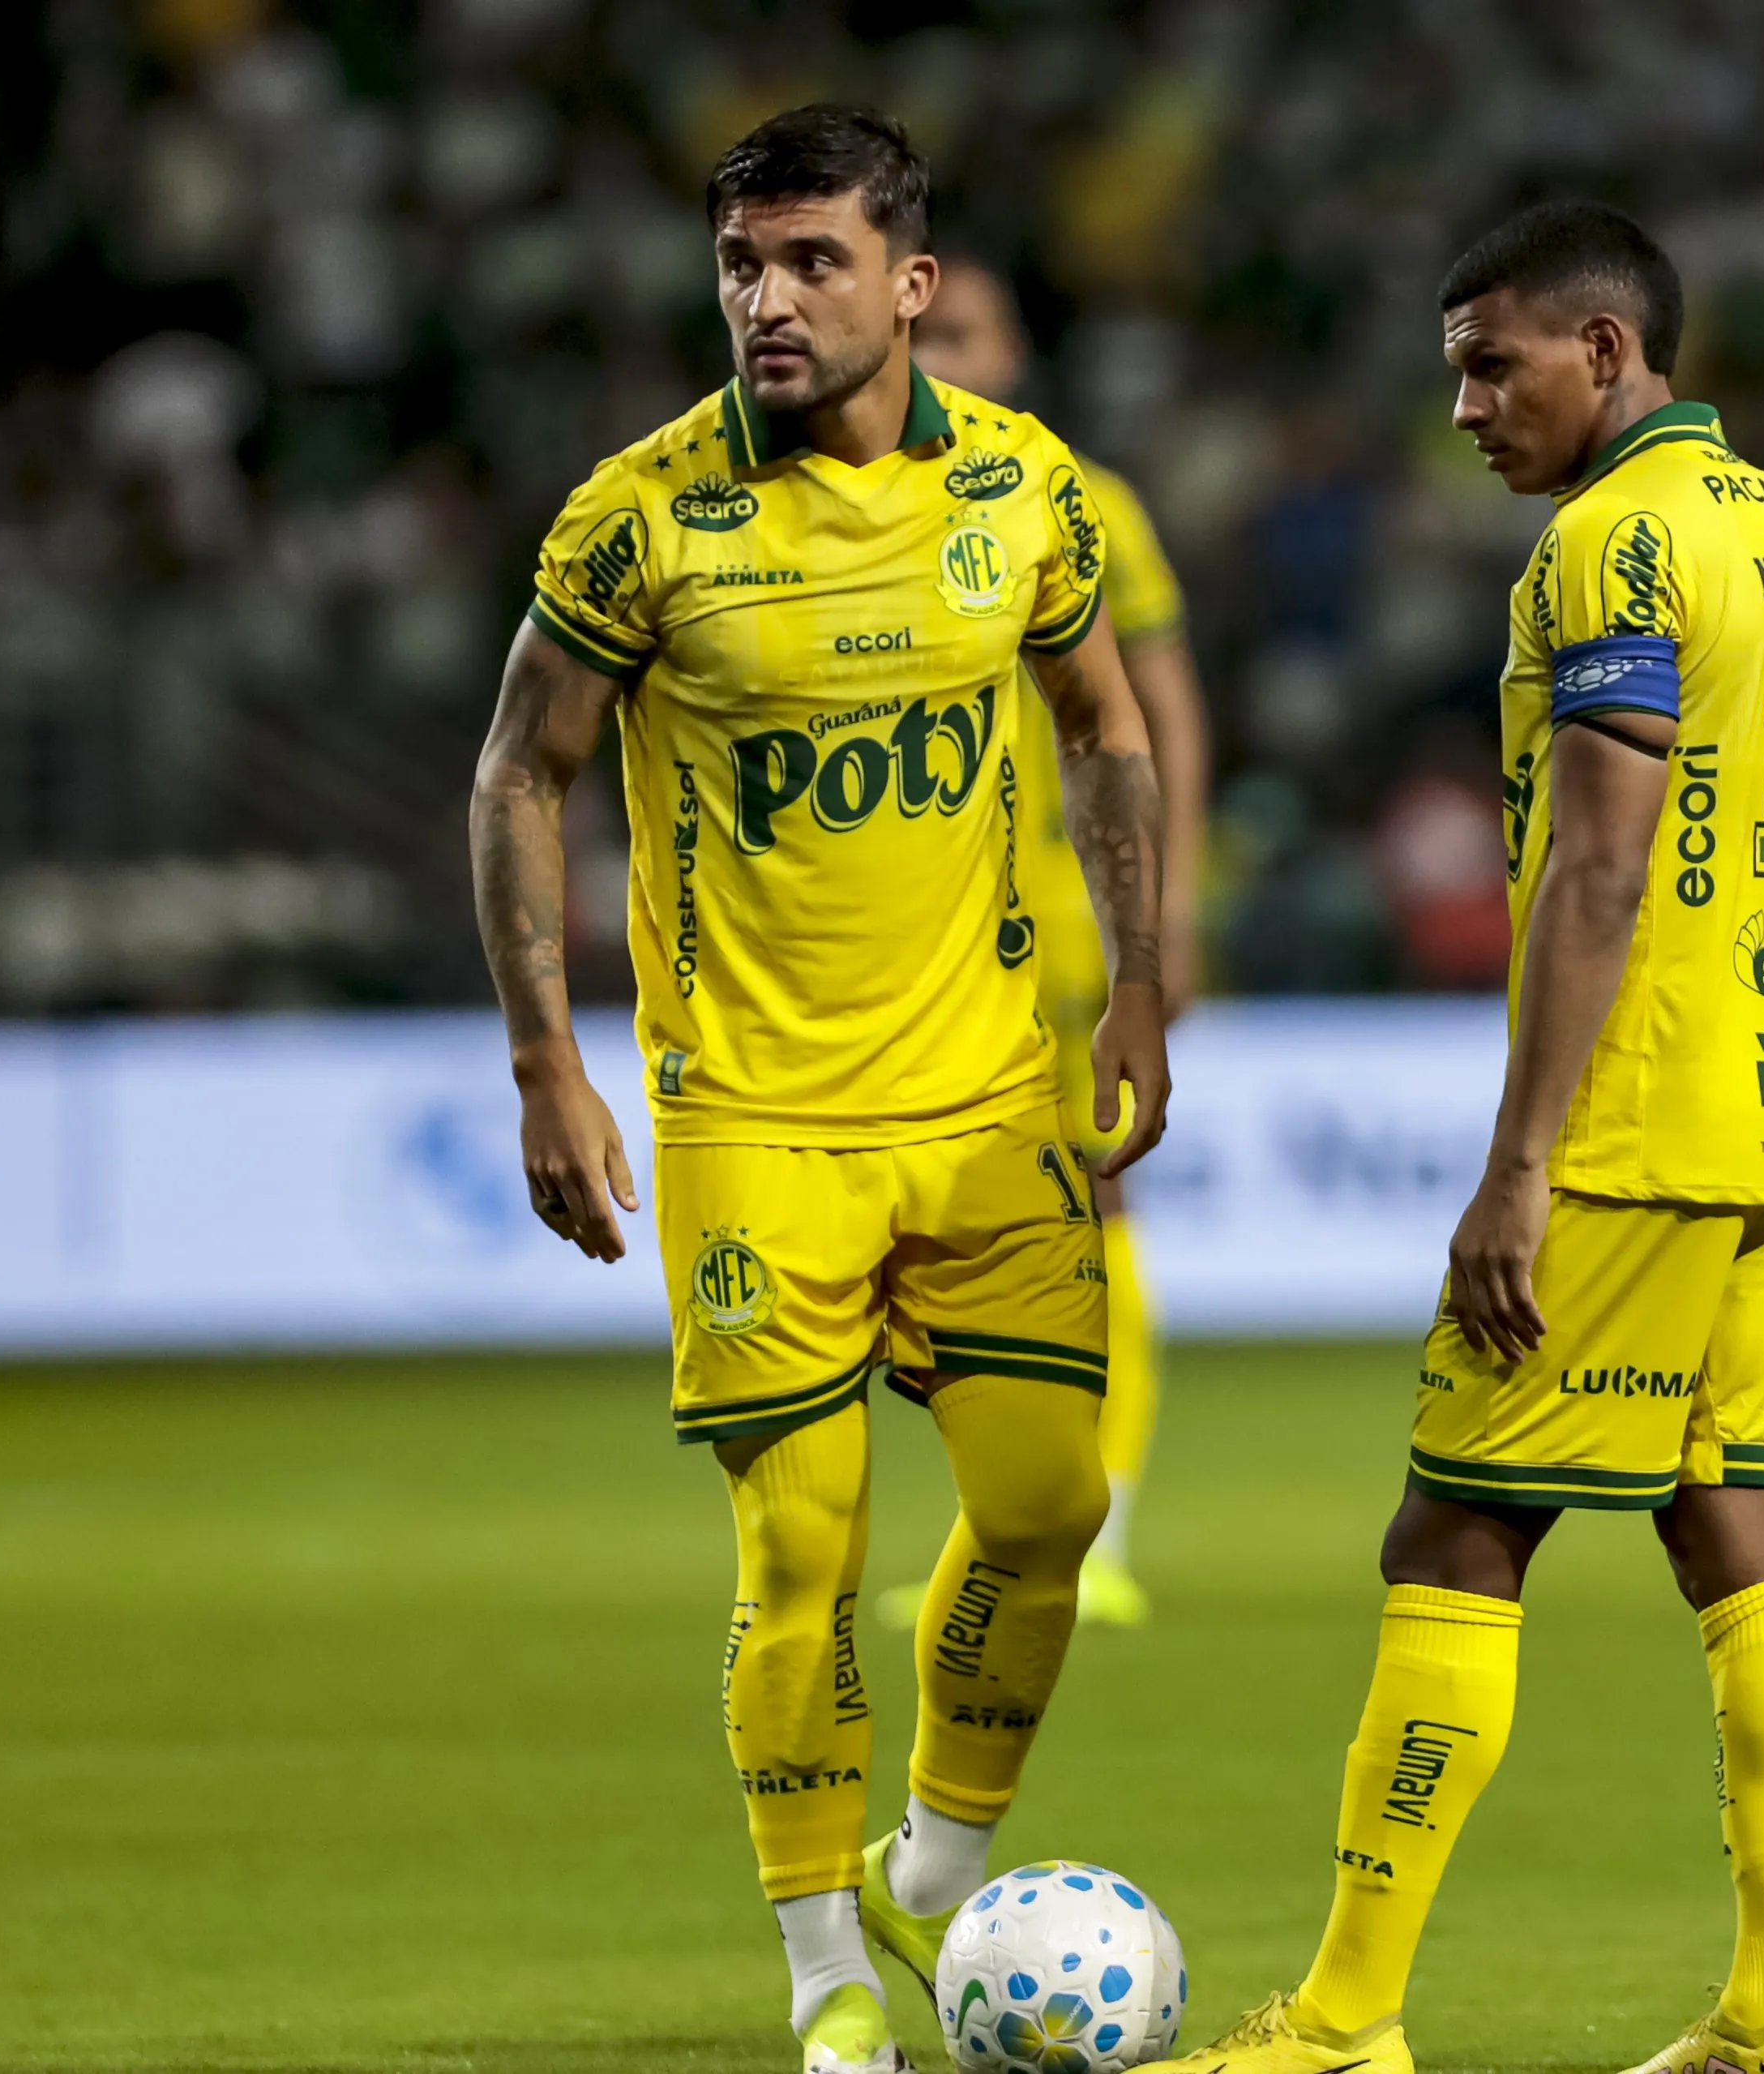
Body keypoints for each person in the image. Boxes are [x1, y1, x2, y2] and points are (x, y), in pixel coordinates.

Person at [465, 104, 1171, 2074]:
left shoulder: (1024, 494)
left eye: (811, 264)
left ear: (912, 286)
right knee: (803, 1552)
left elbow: (1104, 727)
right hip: (754, 1116)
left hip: (986, 1101)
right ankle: (826, 1987)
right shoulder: (643, 516)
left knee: (1051, 1505)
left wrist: (1139, 989)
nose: (767, 303)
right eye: (741, 268)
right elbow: (521, 768)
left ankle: (927, 1884)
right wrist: (547, 1056)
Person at [1141, 200, 1764, 2074]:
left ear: (1607, 353)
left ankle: (1348, 2019)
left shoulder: (1611, 546)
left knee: (1454, 1527)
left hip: (1633, 1116)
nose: (1461, 404)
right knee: (1738, 1530)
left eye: (1492, 361)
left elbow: (1603, 865)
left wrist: (1522, 1157)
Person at [904, 254, 1210, 1630]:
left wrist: (1169, 906)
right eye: (926, 335)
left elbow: (1164, 716)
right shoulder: (842, 516)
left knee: (1093, 1211)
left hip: (1057, 929)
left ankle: (1104, 1529)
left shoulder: (1085, 504)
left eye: (968, 330)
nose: (946, 358)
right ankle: (1001, 1524)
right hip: (907, 941)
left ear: (1017, 354)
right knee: (928, 1241)